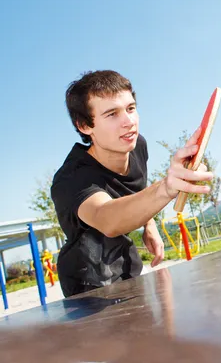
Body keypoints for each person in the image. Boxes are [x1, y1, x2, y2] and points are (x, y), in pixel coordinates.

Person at [51, 70, 212, 297]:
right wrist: (166, 187)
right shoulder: (71, 179)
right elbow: (107, 218)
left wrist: (150, 224)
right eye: (111, 114)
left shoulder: (137, 146)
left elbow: (137, 189)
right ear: (85, 126)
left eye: (131, 108)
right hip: (88, 288)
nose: (129, 122)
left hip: (128, 266)